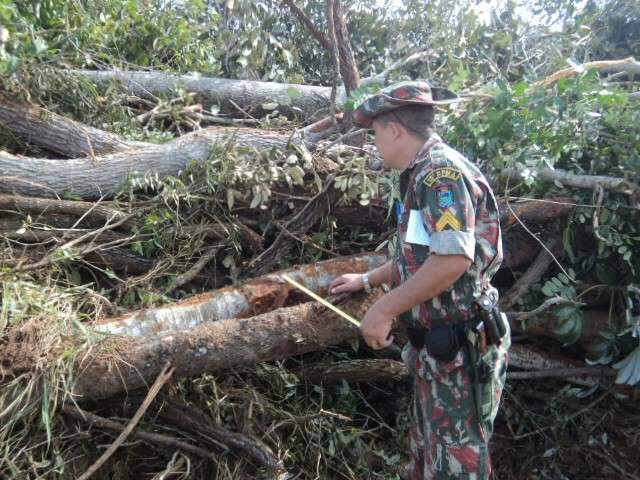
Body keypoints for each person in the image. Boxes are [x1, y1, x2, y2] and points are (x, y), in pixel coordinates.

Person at [329, 81, 510, 479]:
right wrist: (367, 279)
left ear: (395, 129)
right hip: (440, 352)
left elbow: (451, 261)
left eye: (376, 134)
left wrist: (383, 308)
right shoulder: (420, 174)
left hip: (461, 349)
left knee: (457, 466)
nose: (375, 144)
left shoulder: (439, 175)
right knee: (430, 457)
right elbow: (420, 256)